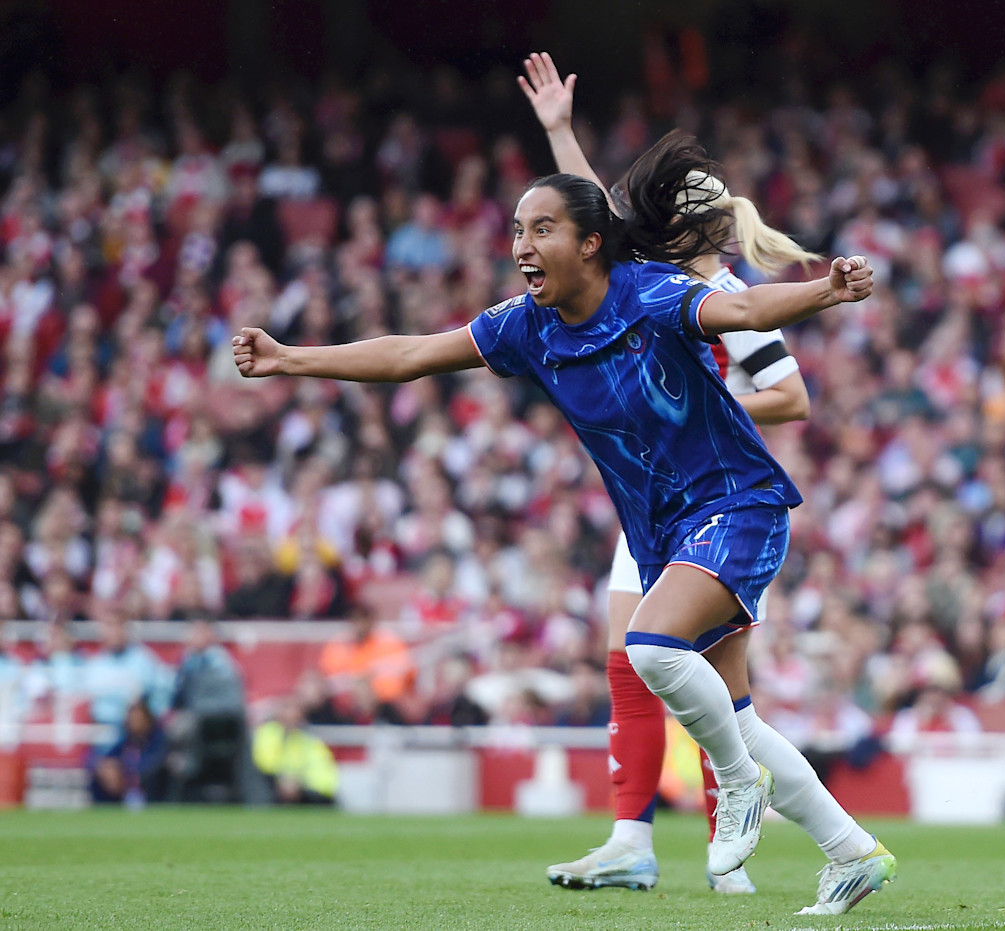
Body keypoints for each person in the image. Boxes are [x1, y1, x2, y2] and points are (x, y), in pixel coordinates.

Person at [232, 124, 895, 915]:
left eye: (541, 227)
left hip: (736, 504)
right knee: (735, 711)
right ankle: (851, 850)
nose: (521, 243)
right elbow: (410, 355)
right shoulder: (526, 325)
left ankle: (739, 785)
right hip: (663, 532)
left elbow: (748, 304)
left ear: (589, 243)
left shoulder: (652, 293)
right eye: (516, 228)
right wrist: (291, 357)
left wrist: (829, 288)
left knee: (651, 647)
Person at [517, 51, 815, 897]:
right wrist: (557, 130)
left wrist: (699, 412)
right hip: (646, 498)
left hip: (713, 499)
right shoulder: (628, 278)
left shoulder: (717, 293)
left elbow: (791, 397)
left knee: (713, 682)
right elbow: (588, 210)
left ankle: (734, 856)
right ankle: (629, 838)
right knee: (629, 658)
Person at [252, 697, 339, 804]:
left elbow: (324, 778)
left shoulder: (309, 741)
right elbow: (265, 763)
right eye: (288, 709)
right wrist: (283, 779)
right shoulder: (267, 734)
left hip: (303, 791)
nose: (293, 715)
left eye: (296, 711)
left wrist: (299, 785)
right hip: (271, 787)